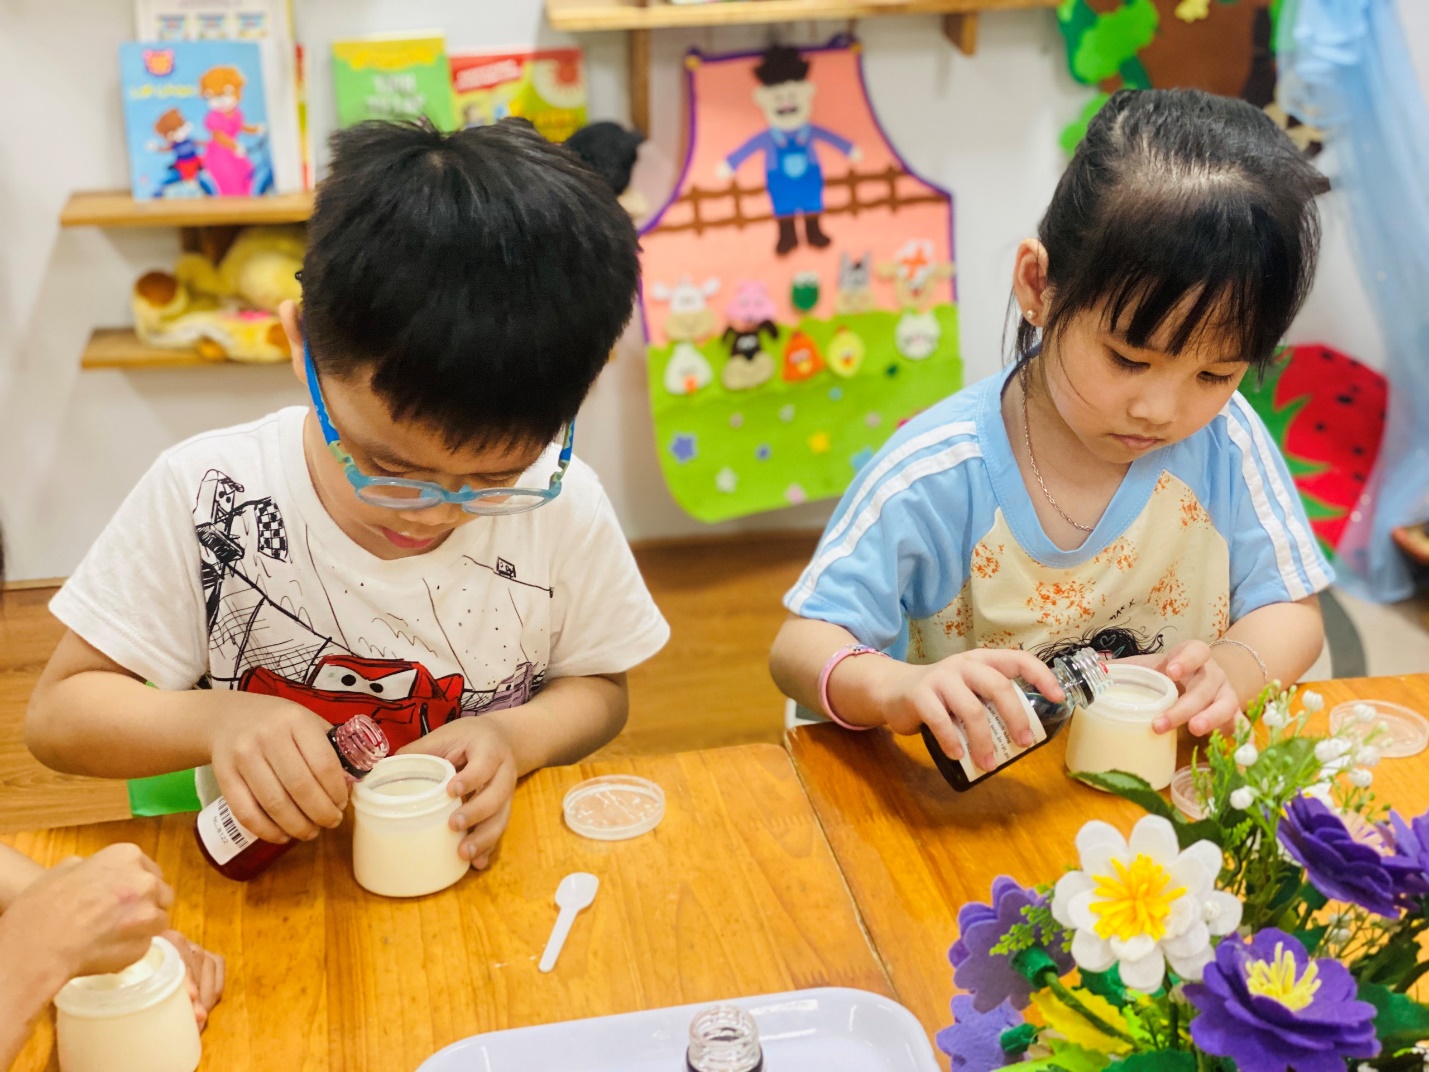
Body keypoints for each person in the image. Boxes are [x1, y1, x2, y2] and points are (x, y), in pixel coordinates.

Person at [25, 119, 668, 871]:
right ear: (299, 341)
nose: (434, 513)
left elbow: (599, 686)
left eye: (493, 481)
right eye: (385, 468)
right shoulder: (208, 495)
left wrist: (518, 738)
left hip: (475, 870)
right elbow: (58, 718)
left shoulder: (565, 505)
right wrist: (219, 720)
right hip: (282, 887)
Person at [769, 89, 1331, 771]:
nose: (1160, 409)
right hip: (981, 817)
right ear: (1039, 286)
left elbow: (1291, 612)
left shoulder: (1226, 442)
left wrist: (1234, 668)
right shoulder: (936, 474)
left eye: (1214, 375)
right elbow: (798, 650)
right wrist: (896, 687)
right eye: (1129, 358)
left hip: (1154, 792)